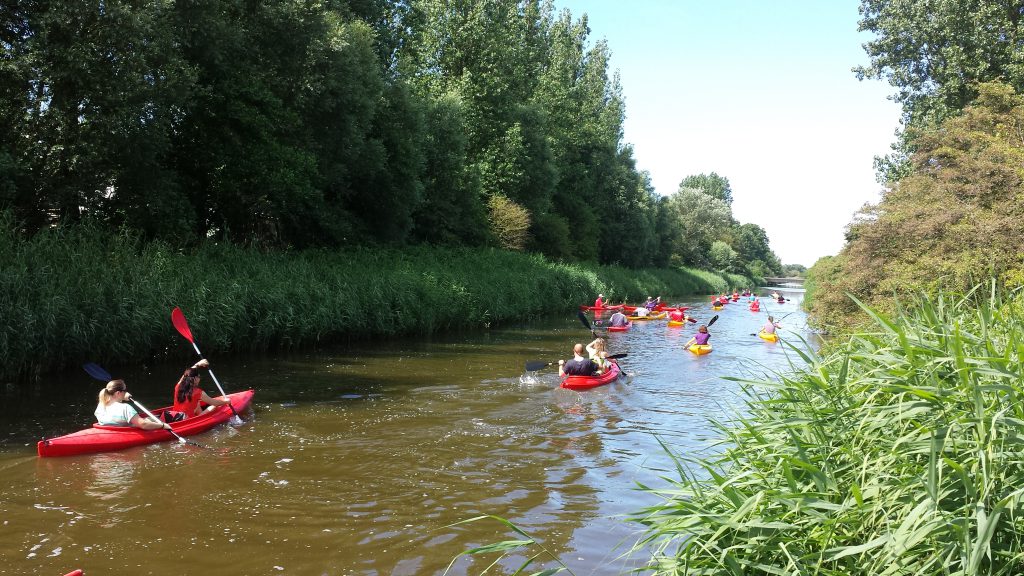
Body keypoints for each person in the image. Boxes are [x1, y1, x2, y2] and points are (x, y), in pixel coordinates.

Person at [95, 379, 172, 430]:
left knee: (149, 419)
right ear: (118, 393)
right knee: (148, 420)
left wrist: (122, 397)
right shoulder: (125, 408)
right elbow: (143, 424)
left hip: (107, 430)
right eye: (124, 390)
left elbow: (115, 402)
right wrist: (162, 426)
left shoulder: (101, 405)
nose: (126, 392)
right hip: (123, 433)